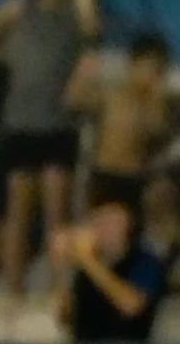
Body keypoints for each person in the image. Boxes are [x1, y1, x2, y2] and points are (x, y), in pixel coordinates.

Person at [0, 0, 99, 294]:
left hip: (58, 123)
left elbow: (92, 29)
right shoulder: (18, 7)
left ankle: (57, 292)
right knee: (18, 211)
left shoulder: (73, 11)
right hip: (20, 121)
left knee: (57, 210)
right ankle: (13, 291)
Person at [67, 32, 172, 214]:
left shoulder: (154, 103)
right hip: (106, 174)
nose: (153, 76)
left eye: (159, 71)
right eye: (151, 68)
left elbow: (157, 132)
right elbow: (74, 101)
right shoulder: (113, 94)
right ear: (134, 65)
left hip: (135, 176)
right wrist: (83, 72)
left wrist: (156, 99)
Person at [53, 202, 171, 343]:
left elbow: (131, 306)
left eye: (111, 223)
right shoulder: (85, 269)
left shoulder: (145, 261)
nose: (104, 230)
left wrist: (88, 260)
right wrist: (62, 266)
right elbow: (64, 316)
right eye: (98, 222)